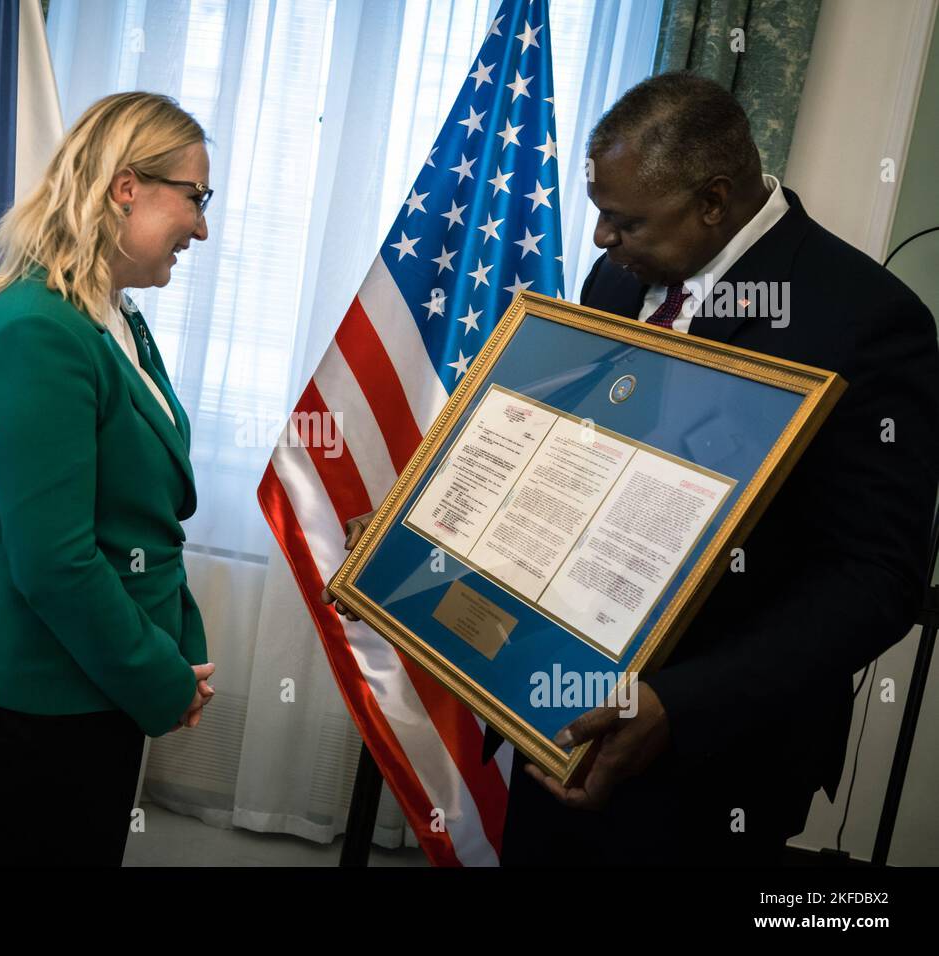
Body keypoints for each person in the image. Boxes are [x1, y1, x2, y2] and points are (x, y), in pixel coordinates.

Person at [326, 72, 939, 866]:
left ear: (714, 201)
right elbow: (568, 461)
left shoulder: (864, 319)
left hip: (709, 760)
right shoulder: (620, 280)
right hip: (560, 710)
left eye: (624, 221)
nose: (600, 242)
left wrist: (677, 704)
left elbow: (875, 578)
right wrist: (418, 532)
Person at [0, 92, 216, 867]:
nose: (203, 227)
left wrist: (175, 651)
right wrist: (159, 678)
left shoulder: (111, 315)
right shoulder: (40, 332)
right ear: (126, 188)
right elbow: (56, 563)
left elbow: (140, 523)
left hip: (88, 689)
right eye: (196, 198)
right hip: (18, 705)